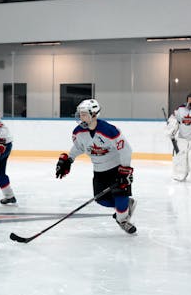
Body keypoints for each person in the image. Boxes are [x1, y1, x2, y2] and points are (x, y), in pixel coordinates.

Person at [55, 98, 137, 235]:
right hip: (99, 171)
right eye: (80, 113)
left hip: (116, 168)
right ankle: (127, 204)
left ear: (94, 114)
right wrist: (69, 159)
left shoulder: (109, 130)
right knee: (101, 199)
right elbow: (79, 147)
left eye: (84, 114)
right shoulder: (78, 132)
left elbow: (126, 150)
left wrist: (125, 170)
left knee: (120, 194)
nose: (81, 117)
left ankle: (123, 220)